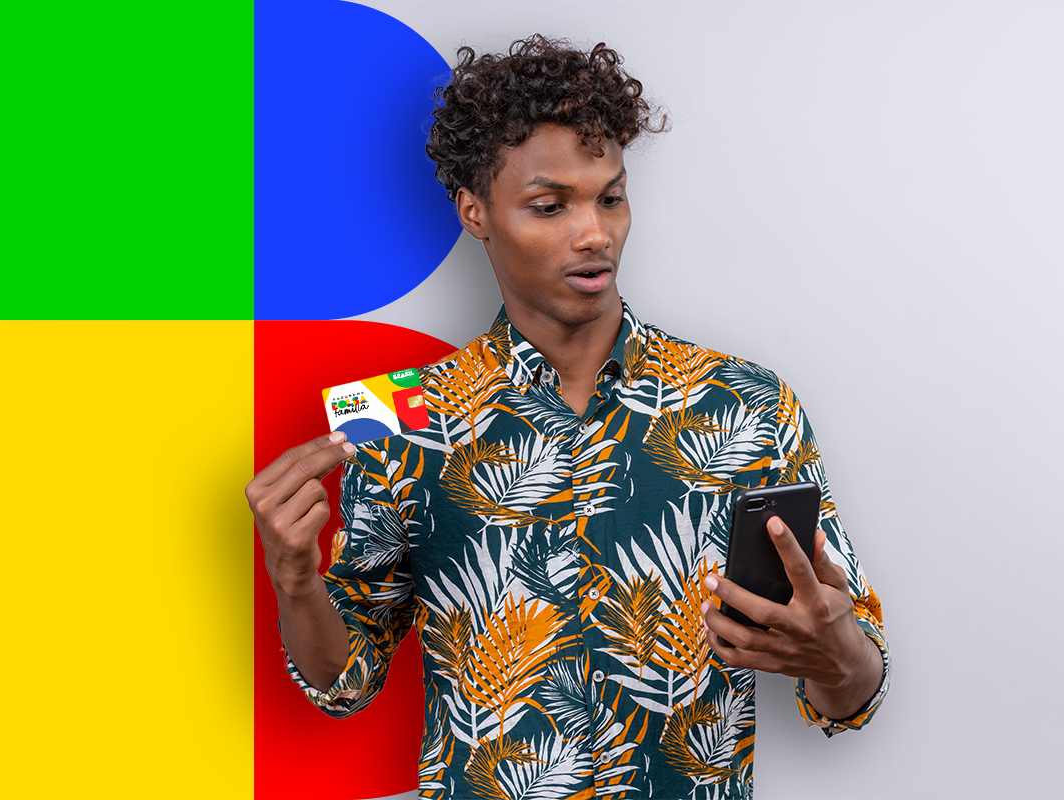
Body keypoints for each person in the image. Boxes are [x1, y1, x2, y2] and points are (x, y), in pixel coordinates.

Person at [247, 35, 888, 799]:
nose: (595, 233)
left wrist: (838, 656)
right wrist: (295, 581)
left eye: (610, 197)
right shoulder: (396, 419)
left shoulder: (746, 405)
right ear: (475, 211)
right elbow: (343, 682)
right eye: (550, 206)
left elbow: (853, 687)